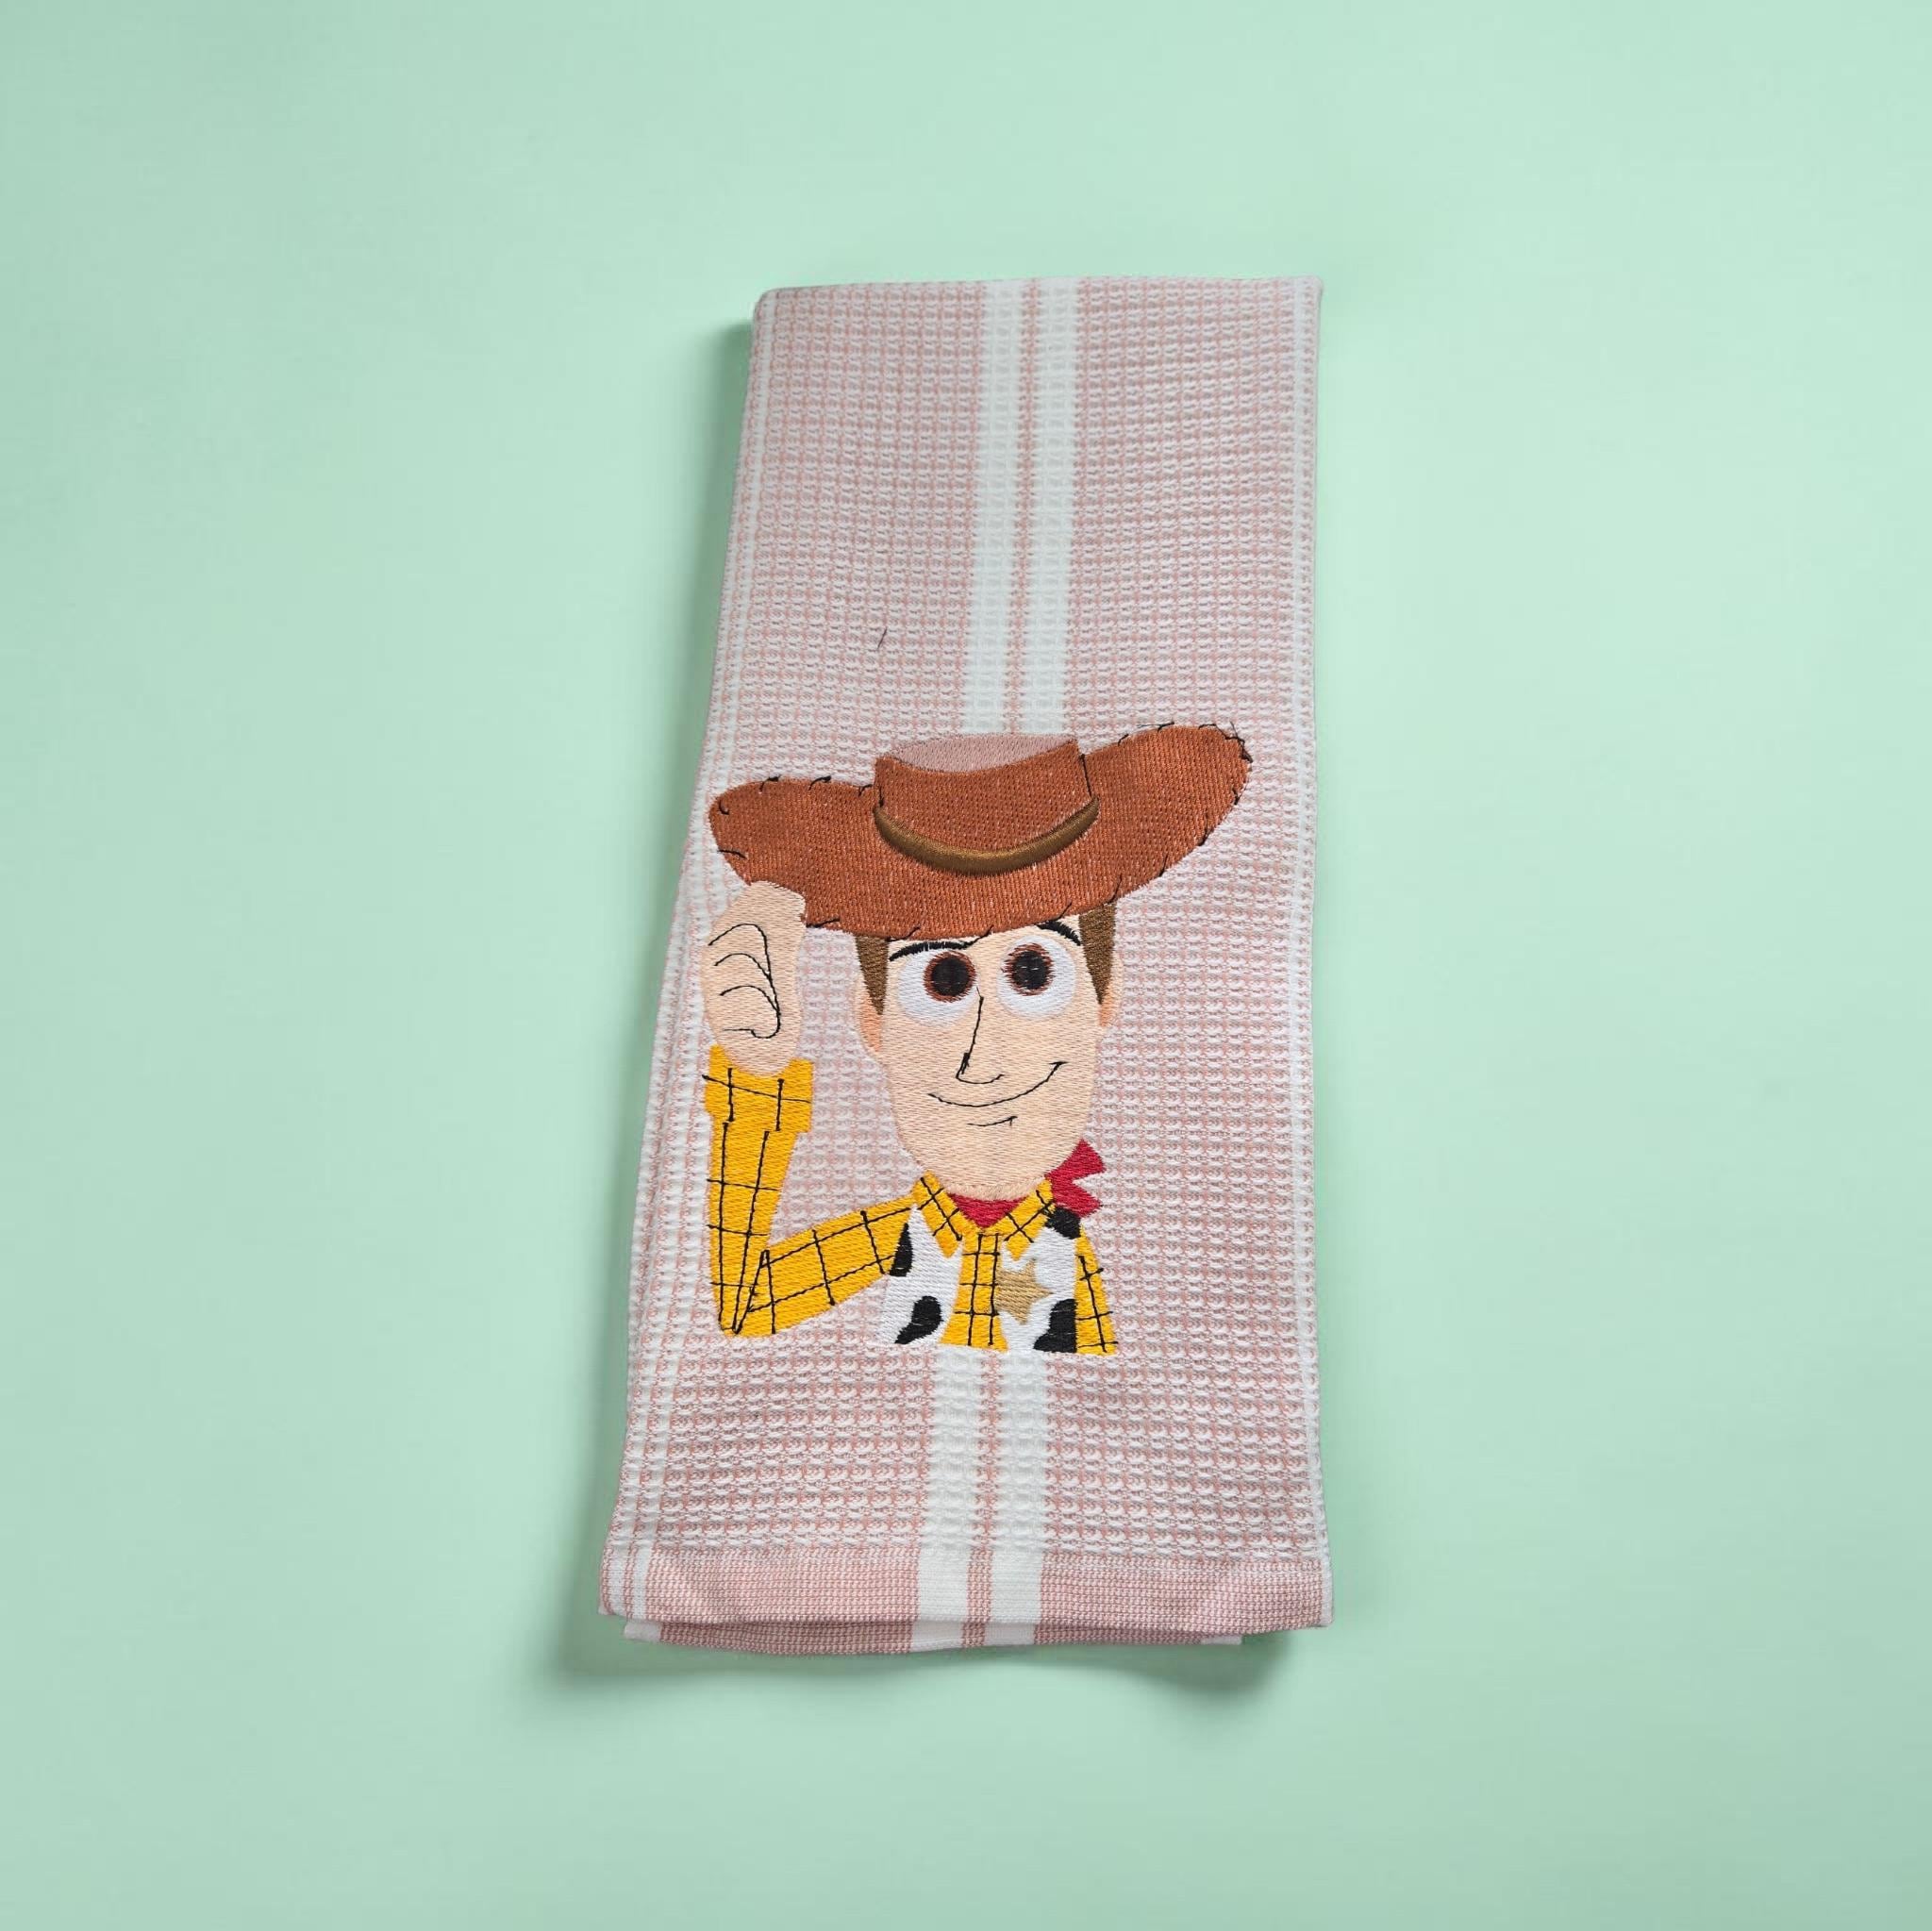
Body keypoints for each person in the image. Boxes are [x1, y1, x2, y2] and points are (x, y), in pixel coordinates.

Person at [696, 725, 1248, 1354]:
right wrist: (756, 1070)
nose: (983, 1057)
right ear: (874, 1020)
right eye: (943, 981)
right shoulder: (893, 1240)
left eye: (1033, 973)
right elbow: (746, 1304)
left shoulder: (1091, 1261)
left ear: (1104, 994)